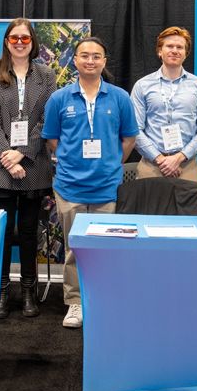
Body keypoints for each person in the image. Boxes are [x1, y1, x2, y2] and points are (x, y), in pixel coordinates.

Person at [42, 37, 139, 329]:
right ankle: (75, 302)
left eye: (96, 56)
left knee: (104, 248)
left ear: (104, 61)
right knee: (74, 248)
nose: (90, 61)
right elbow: (52, 140)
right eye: (85, 55)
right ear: (75, 60)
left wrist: (111, 163)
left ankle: (102, 300)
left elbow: (129, 138)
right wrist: (72, 161)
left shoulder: (120, 98)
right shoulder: (59, 98)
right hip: (69, 186)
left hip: (106, 187)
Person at [0, 18, 55, 319]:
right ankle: (1, 292)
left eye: (25, 38)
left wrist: (21, 154)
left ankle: (28, 291)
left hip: (33, 166)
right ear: (6, 42)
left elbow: (46, 121)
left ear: (33, 42)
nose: (20, 43)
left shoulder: (46, 75)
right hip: (1, 169)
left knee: (27, 232)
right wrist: (8, 158)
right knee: (2, 234)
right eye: (15, 38)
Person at [131, 26, 197, 182]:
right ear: (159, 51)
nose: (174, 50)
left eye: (180, 47)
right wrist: (160, 159)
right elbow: (135, 129)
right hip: (151, 166)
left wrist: (178, 158)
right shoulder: (142, 86)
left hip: (187, 166)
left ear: (186, 53)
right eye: (169, 46)